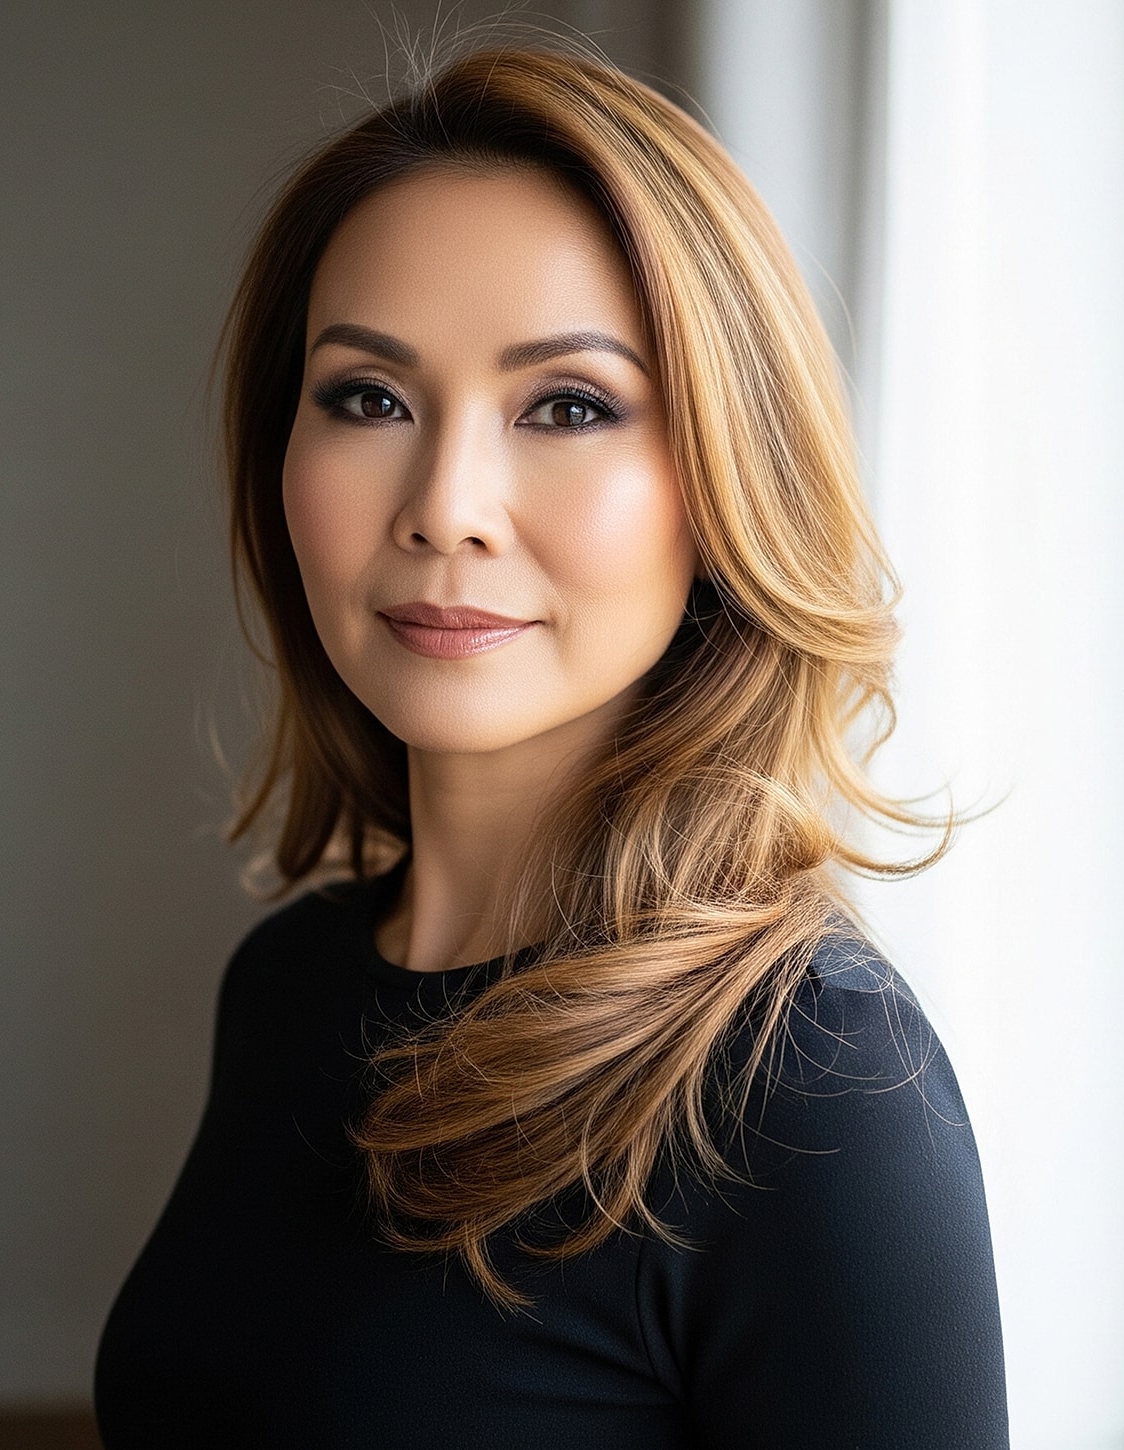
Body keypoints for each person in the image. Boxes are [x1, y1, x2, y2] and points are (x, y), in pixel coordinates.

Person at [94, 43, 1009, 1448]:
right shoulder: (283, 984)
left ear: (722, 484)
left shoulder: (810, 1077)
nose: (445, 504)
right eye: (368, 398)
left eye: (567, 406)